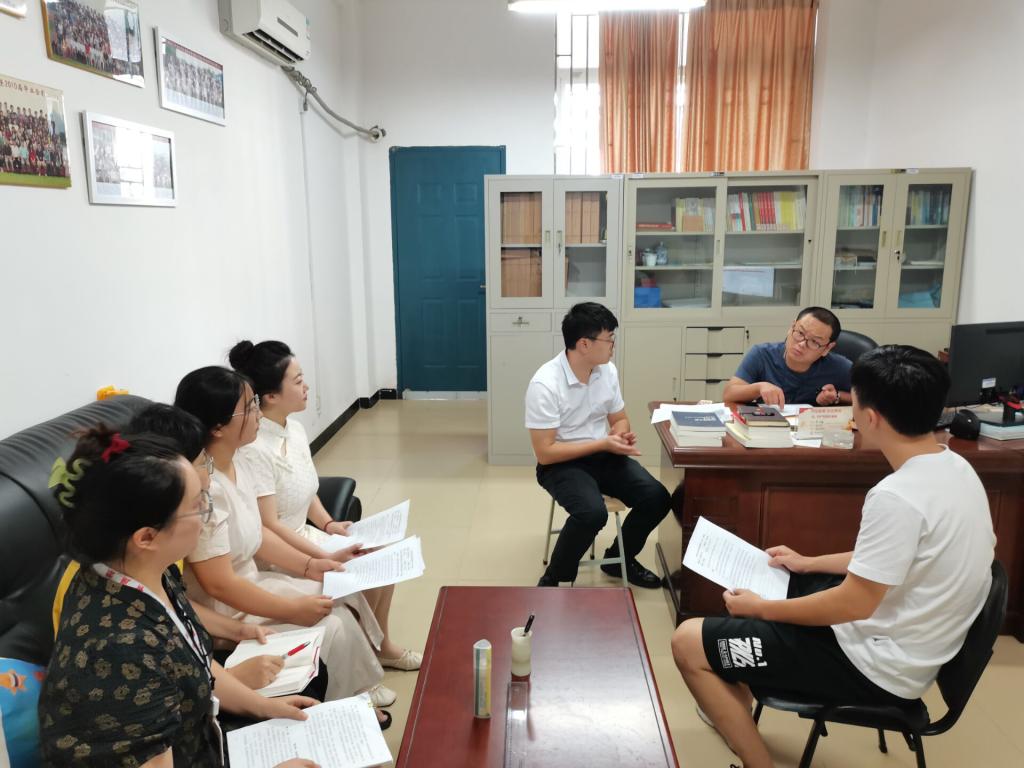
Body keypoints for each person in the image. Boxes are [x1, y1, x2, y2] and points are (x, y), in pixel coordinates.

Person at [671, 345, 996, 768]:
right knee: (780, 577)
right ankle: (738, 697)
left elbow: (854, 603)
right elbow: (897, 558)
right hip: (909, 645)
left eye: (853, 401)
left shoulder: (896, 497)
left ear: (870, 418)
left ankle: (757, 762)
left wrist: (763, 609)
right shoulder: (955, 468)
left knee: (687, 642)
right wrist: (808, 563)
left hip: (874, 667)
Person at [38, 426, 319, 767]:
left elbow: (192, 660)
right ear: (146, 537)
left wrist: (266, 707)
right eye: (199, 505)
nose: (207, 514)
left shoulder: (142, 571)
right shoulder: (120, 650)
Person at [174, 367, 395, 712]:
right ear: (217, 426)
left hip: (253, 581)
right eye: (250, 408)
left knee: (341, 588)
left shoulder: (239, 461)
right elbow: (219, 585)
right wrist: (293, 608)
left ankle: (361, 686)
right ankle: (344, 706)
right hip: (230, 605)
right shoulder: (205, 489)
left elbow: (259, 532)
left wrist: (311, 566)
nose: (259, 414)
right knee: (333, 624)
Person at [229, 339, 422, 672]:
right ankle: (366, 654)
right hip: (280, 551)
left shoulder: (295, 429)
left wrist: (330, 524)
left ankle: (380, 645)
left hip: (306, 535)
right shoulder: (254, 449)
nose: (306, 386)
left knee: (382, 558)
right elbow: (269, 525)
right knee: (358, 569)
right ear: (271, 396)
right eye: (298, 380)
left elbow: (306, 489)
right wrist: (322, 554)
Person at [127, 402, 330, 701]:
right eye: (196, 508)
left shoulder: (154, 567)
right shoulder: (121, 628)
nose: (204, 518)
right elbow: (175, 692)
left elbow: (177, 608)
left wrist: (238, 632)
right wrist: (234, 680)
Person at [526, 302, 671, 588]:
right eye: (609, 340)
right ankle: (554, 579)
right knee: (592, 514)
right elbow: (545, 453)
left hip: (603, 455)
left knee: (657, 498)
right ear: (584, 344)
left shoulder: (607, 371)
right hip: (561, 464)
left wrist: (619, 435)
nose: (613, 346)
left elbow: (620, 418)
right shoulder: (545, 383)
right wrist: (604, 443)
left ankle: (619, 559)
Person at [722, 306, 852, 408]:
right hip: (767, 428)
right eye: (800, 333)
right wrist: (759, 387)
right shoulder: (762, 354)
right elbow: (729, 394)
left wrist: (838, 396)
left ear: (827, 348)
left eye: (814, 341)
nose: (801, 344)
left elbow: (864, 399)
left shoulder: (840, 367)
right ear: (792, 327)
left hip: (813, 431)